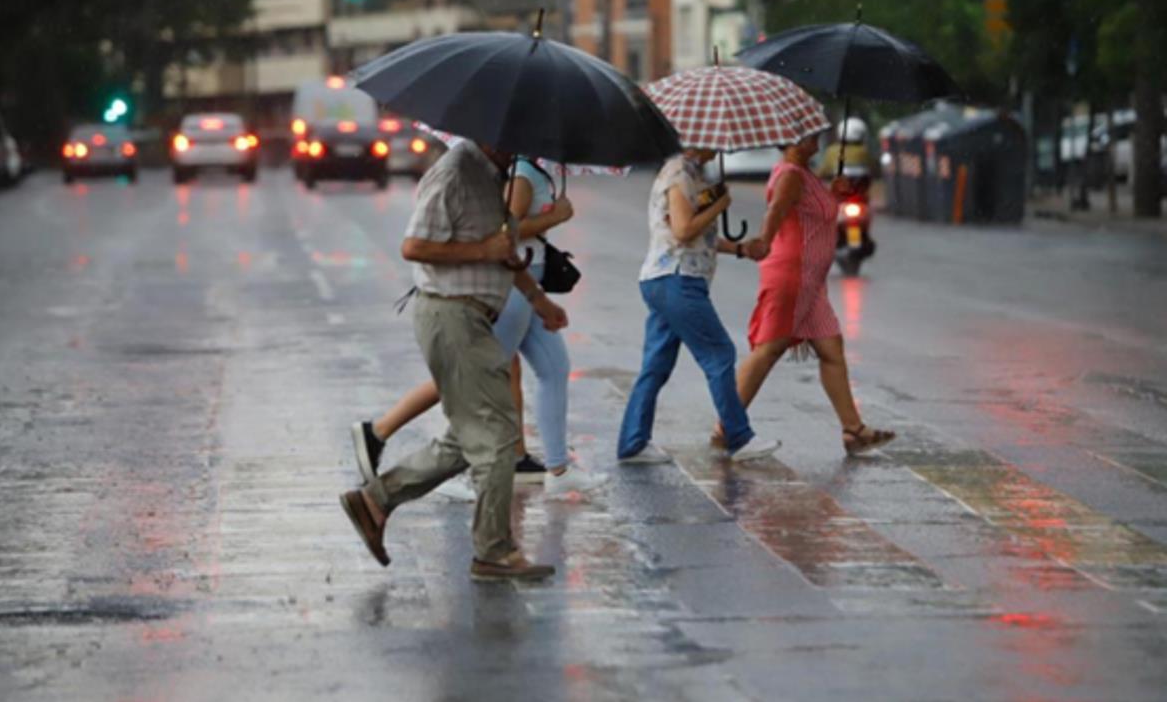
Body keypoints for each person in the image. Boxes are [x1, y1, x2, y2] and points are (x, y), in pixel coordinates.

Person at [339, 138, 567, 582]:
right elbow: (415, 246)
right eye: (516, 134)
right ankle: (493, 552)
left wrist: (538, 300)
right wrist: (484, 251)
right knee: (499, 435)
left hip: (473, 315)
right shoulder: (455, 172)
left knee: (468, 439)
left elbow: (501, 249)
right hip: (451, 314)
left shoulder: (494, 174)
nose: (523, 144)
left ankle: (375, 501)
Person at [351, 157, 605, 499]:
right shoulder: (523, 176)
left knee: (554, 368)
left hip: (530, 285)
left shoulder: (534, 171)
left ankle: (559, 469)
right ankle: (387, 435)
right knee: (472, 377)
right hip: (512, 289)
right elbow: (506, 230)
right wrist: (554, 217)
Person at [714, 133, 895, 455]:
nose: (817, 142)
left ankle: (853, 430)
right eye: (810, 138)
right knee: (769, 349)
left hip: (811, 281)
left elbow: (812, 216)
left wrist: (833, 194)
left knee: (831, 348)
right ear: (793, 141)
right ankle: (726, 425)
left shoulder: (804, 174)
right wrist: (763, 241)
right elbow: (776, 211)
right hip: (792, 275)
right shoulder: (791, 175)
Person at [617, 147, 783, 464]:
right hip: (678, 279)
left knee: (656, 364)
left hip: (665, 278)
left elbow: (697, 235)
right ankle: (739, 436)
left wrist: (739, 249)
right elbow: (683, 231)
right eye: (713, 141)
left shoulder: (692, 174)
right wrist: (720, 204)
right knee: (719, 353)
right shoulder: (679, 172)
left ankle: (633, 442)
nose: (719, 147)